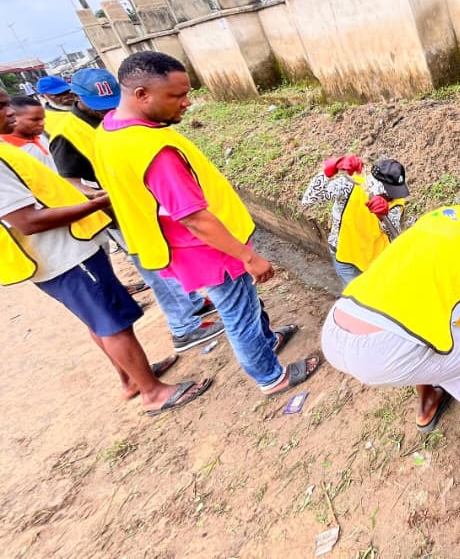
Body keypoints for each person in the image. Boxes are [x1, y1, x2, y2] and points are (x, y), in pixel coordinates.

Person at [94, 52, 319, 396]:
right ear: (142, 94)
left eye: (186, 93)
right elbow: (195, 218)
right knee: (238, 313)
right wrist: (248, 256)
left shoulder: (109, 129)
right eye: (176, 96)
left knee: (245, 302)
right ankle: (271, 377)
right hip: (208, 249)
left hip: (180, 245)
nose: (187, 103)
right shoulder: (153, 150)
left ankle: (268, 340)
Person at [0, 87, 211, 415]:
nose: (10, 112)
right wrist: (97, 203)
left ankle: (133, 379)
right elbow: (27, 220)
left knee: (100, 319)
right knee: (113, 322)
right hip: (63, 256)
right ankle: (153, 393)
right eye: (2, 107)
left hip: (68, 250)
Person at [321, 171, 460, 471]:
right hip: (381, 350)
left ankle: (429, 403)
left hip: (339, 324)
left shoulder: (440, 216)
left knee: (431, 329)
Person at [52, 67, 223, 353]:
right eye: (97, 106)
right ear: (76, 98)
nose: (104, 110)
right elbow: (68, 179)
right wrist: (97, 195)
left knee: (169, 256)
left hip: (146, 204)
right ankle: (184, 327)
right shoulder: (67, 134)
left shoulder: (114, 118)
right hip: (119, 214)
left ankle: (193, 303)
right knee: (153, 264)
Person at [301, 155, 410, 286]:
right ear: (377, 185)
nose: (393, 196)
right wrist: (327, 172)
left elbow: (394, 235)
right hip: (346, 257)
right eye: (389, 192)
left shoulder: (396, 201)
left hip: (377, 261)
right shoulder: (349, 186)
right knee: (357, 300)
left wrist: (383, 216)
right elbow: (309, 200)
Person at [2, 96, 56, 168]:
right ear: (13, 117)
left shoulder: (42, 137)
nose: (42, 123)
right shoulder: (7, 150)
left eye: (43, 118)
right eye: (35, 119)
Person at [35, 75, 75, 139]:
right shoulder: (46, 122)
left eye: (67, 91)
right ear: (43, 96)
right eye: (58, 94)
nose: (66, 96)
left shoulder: (84, 104)